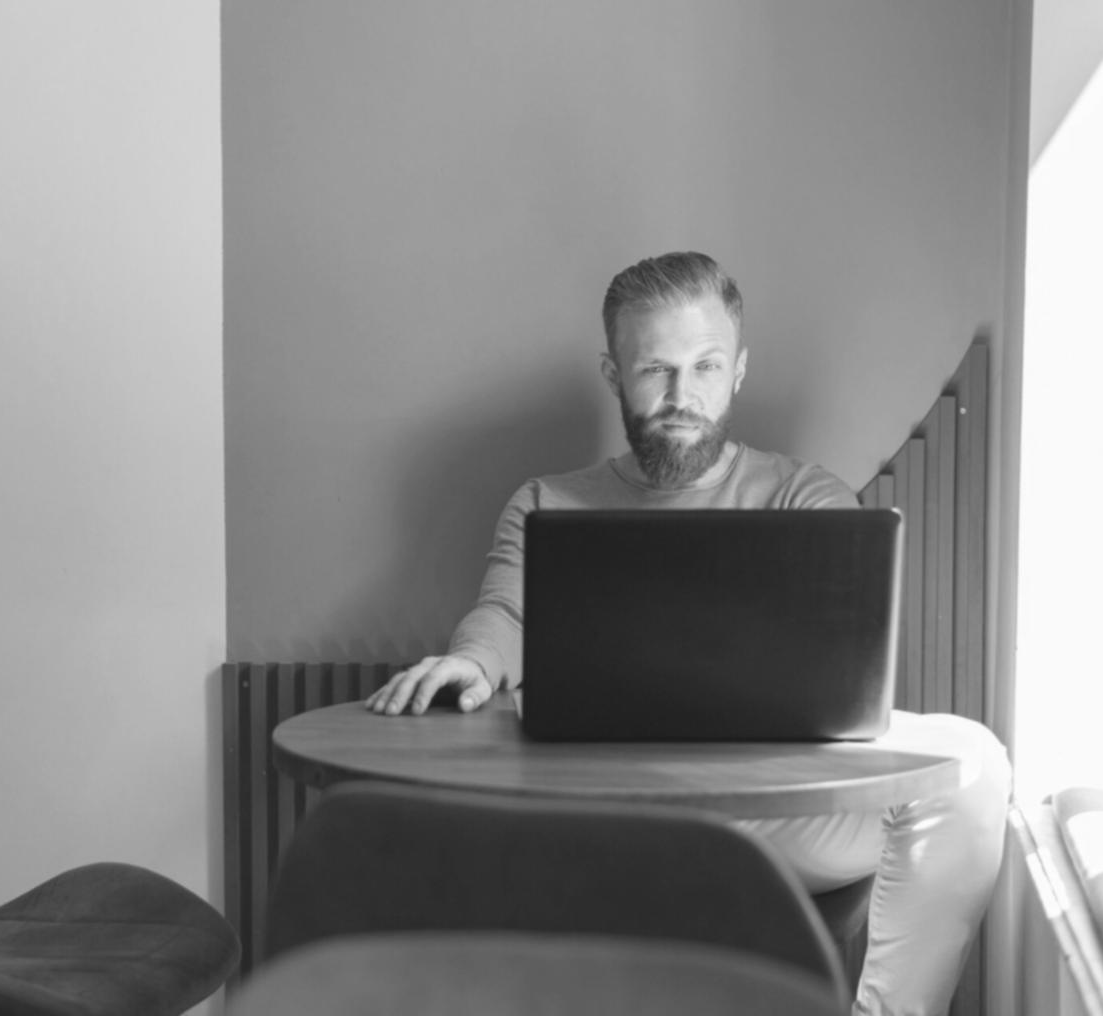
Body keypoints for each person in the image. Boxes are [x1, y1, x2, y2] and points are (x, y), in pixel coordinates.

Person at [364, 252, 1010, 1016]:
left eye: (705, 366)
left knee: (973, 762)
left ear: (738, 371)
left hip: (774, 817)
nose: (682, 396)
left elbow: (848, 644)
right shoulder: (549, 501)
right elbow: (504, 615)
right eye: (655, 370)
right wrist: (473, 662)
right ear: (614, 374)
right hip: (598, 813)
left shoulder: (804, 497)